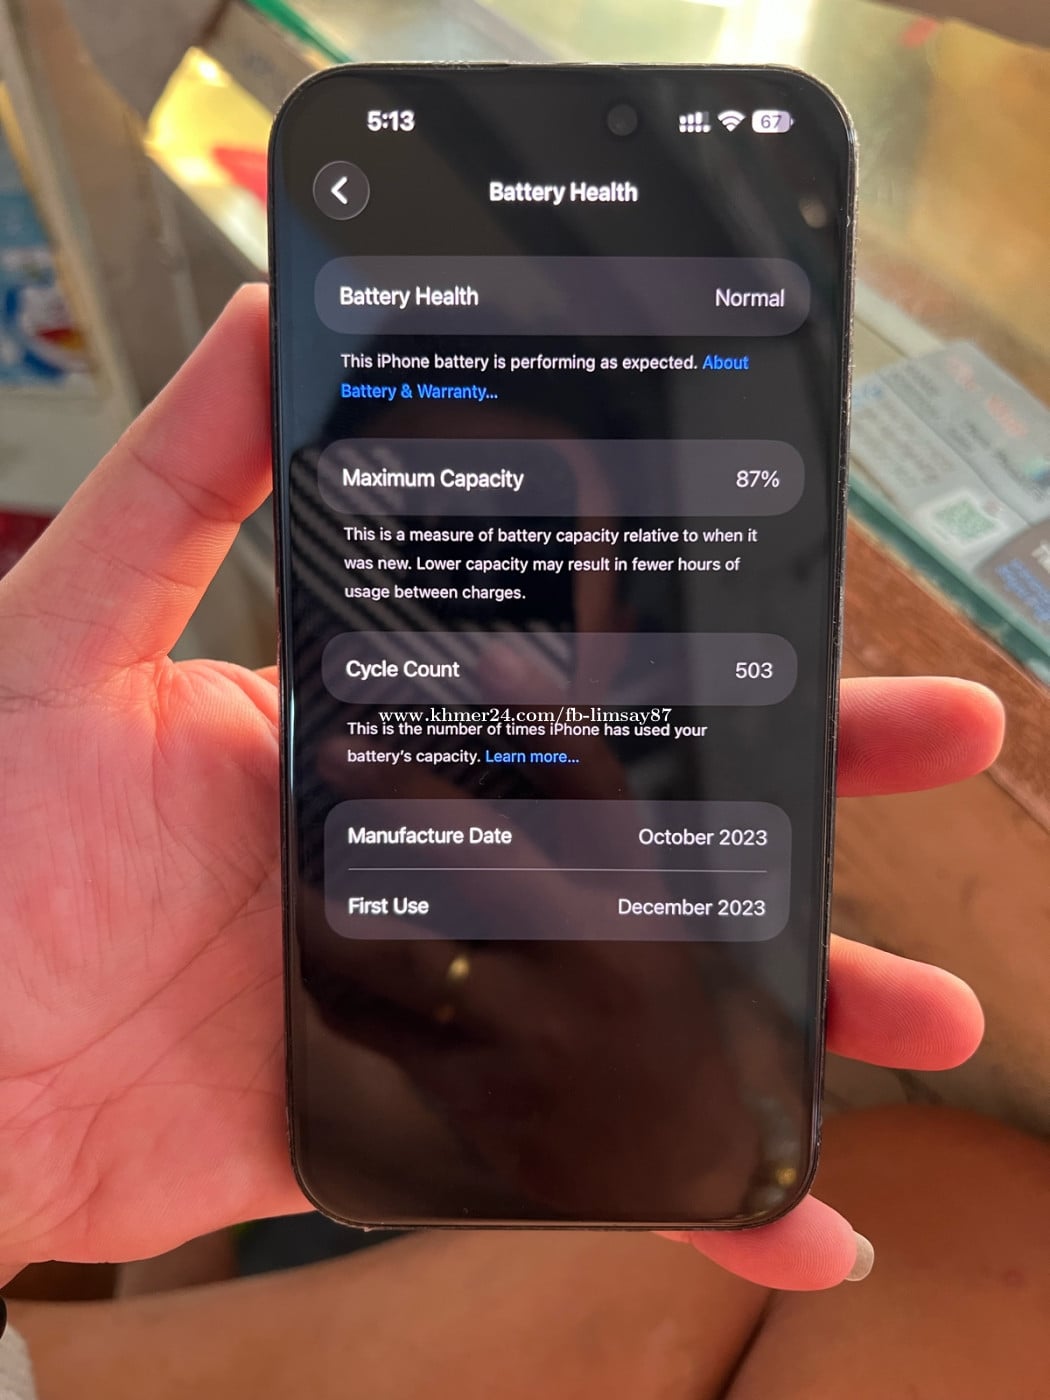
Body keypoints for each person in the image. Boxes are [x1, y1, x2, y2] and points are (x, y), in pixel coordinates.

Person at [3, 286, 1043, 1399]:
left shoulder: (692, 920)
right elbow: (174, 1250)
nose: (445, 637)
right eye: (407, 557)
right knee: (963, 1208)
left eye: (521, 571)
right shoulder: (179, 884)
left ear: (617, 637)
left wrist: (692, 1140)